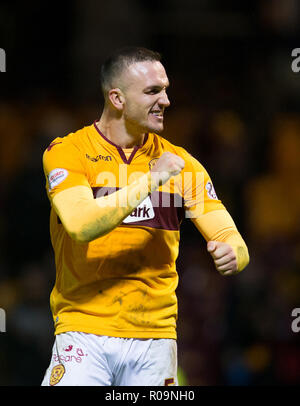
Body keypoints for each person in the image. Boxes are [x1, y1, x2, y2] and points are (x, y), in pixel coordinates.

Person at [41, 46, 249, 386]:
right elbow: (80, 224)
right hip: (83, 330)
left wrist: (233, 254)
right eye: (153, 91)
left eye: (166, 90)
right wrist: (151, 180)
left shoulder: (182, 163)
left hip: (155, 340)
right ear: (117, 99)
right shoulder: (68, 152)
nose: (165, 100)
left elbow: (233, 240)